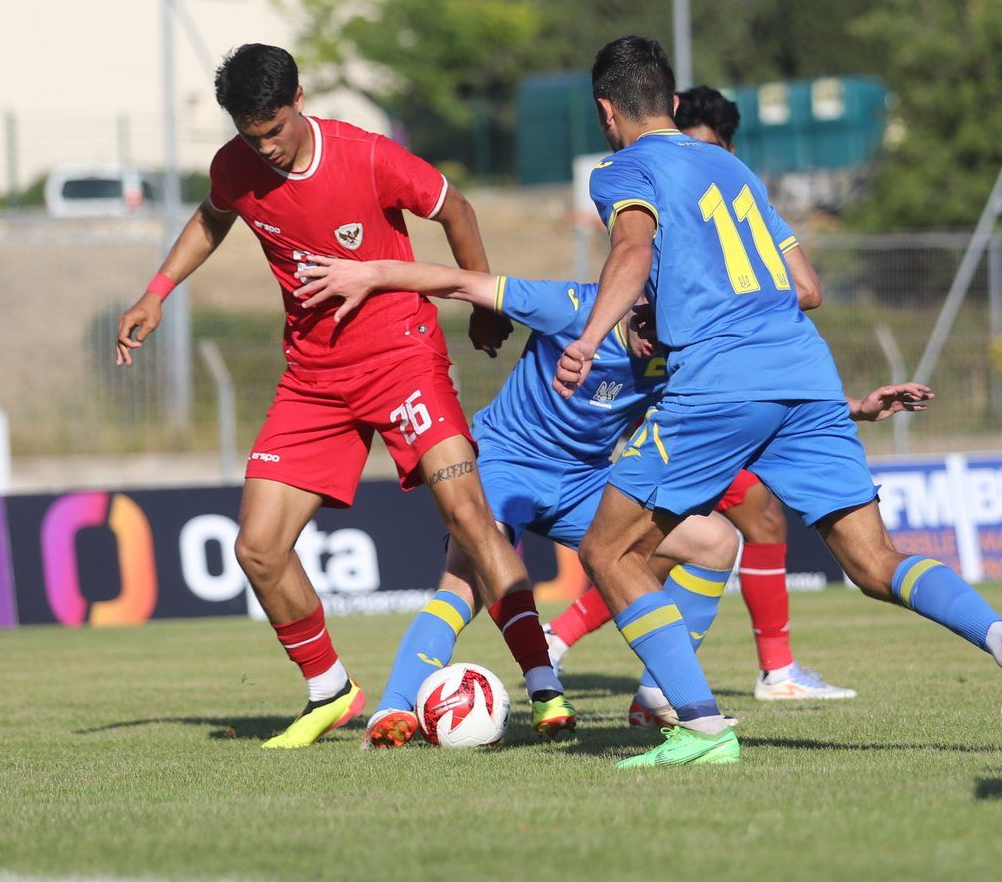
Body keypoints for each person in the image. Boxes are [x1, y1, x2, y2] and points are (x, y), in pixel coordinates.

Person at [555, 35, 1002, 769]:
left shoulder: (625, 169)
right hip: (801, 367)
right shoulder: (734, 169)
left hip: (719, 379)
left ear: (606, 111)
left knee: (609, 547)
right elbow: (800, 283)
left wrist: (591, 335)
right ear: (674, 103)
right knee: (874, 561)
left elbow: (633, 248)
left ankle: (700, 725)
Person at [113, 44, 574, 748]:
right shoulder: (236, 165)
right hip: (313, 378)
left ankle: (543, 686)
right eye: (249, 135)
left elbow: (457, 209)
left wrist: (484, 302)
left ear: (299, 98)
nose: (263, 148)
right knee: (257, 547)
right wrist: (156, 292)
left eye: (273, 130)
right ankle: (329, 688)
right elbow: (213, 217)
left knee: (470, 517)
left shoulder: (366, 155)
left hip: (402, 360)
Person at [285, 255, 929, 745]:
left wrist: (858, 409)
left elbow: (751, 407)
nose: (659, 347)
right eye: (651, 329)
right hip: (502, 464)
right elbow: (461, 284)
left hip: (583, 483)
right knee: (467, 584)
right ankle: (396, 707)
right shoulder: (572, 307)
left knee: (715, 541)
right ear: (629, 305)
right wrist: (371, 273)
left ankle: (658, 694)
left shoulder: (676, 355)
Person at [545, 83, 860, 704]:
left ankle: (700, 682)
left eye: (705, 145)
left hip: (732, 383)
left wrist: (716, 304)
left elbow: (806, 288)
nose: (690, 155)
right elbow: (635, 268)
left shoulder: (728, 199)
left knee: (704, 536)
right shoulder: (664, 189)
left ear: (726, 149)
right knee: (664, 543)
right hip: (696, 395)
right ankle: (698, 683)